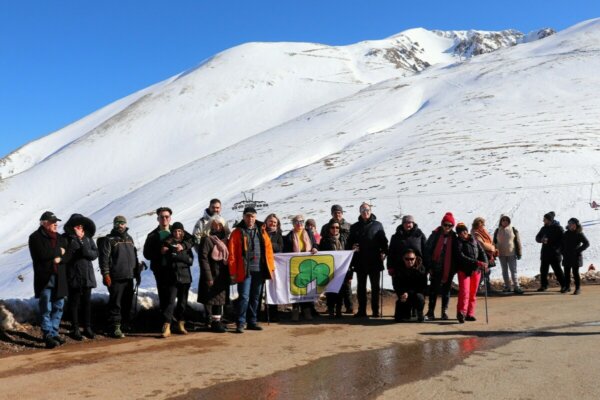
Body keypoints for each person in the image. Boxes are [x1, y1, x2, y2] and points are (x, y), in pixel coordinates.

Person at [143, 207, 194, 335]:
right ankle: (166, 324)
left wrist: (183, 246)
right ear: (158, 218)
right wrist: (158, 252)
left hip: (177, 270)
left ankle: (177, 323)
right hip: (161, 271)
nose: (164, 219)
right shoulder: (153, 235)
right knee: (165, 298)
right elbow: (146, 254)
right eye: (162, 217)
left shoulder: (177, 230)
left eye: (166, 216)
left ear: (170, 218)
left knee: (178, 298)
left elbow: (192, 240)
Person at [228, 206, 275, 333]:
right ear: (243, 217)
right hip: (244, 270)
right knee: (244, 297)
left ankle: (252, 321)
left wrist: (271, 267)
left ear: (255, 217)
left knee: (256, 297)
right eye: (248, 216)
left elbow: (269, 250)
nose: (250, 219)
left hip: (259, 269)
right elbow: (232, 254)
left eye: (253, 216)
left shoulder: (262, 231)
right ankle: (240, 322)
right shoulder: (237, 232)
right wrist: (232, 272)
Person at [28, 211, 70, 348]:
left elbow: (68, 254)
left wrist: (60, 256)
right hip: (45, 277)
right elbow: (41, 254)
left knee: (59, 306)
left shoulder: (60, 237)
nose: (56, 224)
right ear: (44, 223)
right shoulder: (35, 237)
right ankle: (48, 335)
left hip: (60, 276)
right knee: (46, 307)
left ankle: (54, 332)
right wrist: (59, 253)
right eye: (53, 222)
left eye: (56, 222)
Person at [99, 215, 141, 338]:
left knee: (127, 302)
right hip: (116, 277)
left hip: (129, 276)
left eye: (122, 223)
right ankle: (115, 326)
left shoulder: (130, 239)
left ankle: (125, 324)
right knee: (115, 303)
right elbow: (104, 259)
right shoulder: (109, 239)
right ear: (114, 225)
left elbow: (135, 257)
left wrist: (137, 273)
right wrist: (106, 274)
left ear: (125, 224)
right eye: (118, 223)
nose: (120, 225)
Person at [346, 202, 388, 318]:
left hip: (375, 260)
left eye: (367, 210)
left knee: (375, 287)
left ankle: (375, 310)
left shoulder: (378, 225)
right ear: (360, 212)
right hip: (360, 261)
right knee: (361, 287)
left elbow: (384, 241)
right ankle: (362, 311)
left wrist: (384, 251)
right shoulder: (354, 227)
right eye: (363, 210)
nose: (365, 212)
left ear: (371, 211)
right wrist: (352, 246)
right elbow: (349, 243)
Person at [63, 214, 98, 340]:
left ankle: (87, 327)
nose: (80, 228)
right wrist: (75, 244)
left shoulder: (88, 238)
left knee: (87, 303)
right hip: (74, 275)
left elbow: (94, 254)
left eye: (81, 226)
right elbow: (66, 257)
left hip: (87, 275)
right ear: (72, 227)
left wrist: (83, 244)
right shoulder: (66, 238)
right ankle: (75, 328)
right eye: (77, 226)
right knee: (74, 303)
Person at [159, 222, 194, 337]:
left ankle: (180, 324)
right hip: (171, 277)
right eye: (175, 231)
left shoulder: (186, 244)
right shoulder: (167, 244)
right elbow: (165, 262)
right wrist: (170, 254)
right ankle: (167, 325)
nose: (177, 233)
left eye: (179, 231)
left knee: (182, 303)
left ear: (183, 232)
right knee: (170, 302)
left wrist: (177, 255)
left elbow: (190, 260)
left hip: (185, 277)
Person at [198, 216, 231, 333]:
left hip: (223, 274)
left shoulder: (226, 240)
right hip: (212, 275)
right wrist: (208, 276)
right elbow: (203, 259)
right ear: (210, 226)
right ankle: (213, 323)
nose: (217, 227)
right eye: (215, 225)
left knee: (219, 300)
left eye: (220, 225)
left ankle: (217, 322)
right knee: (212, 299)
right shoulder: (207, 240)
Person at [284, 214, 319, 321]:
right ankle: (295, 311)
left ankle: (306, 311)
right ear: (293, 224)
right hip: (295, 265)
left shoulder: (309, 233)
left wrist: (314, 248)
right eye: (297, 222)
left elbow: (315, 244)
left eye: (301, 222)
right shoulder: (289, 235)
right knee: (296, 286)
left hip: (307, 264)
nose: (299, 224)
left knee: (306, 287)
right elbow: (286, 250)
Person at [424, 212, 458, 321]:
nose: (447, 227)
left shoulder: (454, 237)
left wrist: (455, 268)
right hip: (435, 266)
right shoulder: (435, 234)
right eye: (445, 224)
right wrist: (429, 266)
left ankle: (444, 312)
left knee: (446, 290)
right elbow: (427, 250)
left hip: (449, 268)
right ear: (442, 224)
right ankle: (430, 312)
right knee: (433, 290)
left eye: (450, 225)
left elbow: (457, 253)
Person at [320, 204, 353, 313]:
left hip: (344, 263)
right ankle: (331, 307)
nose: (337, 214)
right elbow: (322, 242)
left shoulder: (349, 226)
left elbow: (351, 242)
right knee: (331, 286)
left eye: (339, 212)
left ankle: (348, 306)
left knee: (346, 286)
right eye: (335, 212)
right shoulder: (325, 227)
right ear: (332, 214)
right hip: (330, 264)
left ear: (342, 213)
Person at [455, 223, 488, 323]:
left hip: (476, 270)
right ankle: (461, 313)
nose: (463, 233)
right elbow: (461, 256)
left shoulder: (474, 240)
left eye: (464, 231)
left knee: (473, 293)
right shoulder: (458, 242)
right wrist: (477, 262)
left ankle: (470, 313)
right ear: (458, 234)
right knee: (464, 292)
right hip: (464, 270)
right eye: (460, 232)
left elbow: (482, 252)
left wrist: (485, 263)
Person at [387, 215, 427, 294]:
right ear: (402, 224)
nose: (408, 224)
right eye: (406, 222)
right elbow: (391, 252)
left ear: (413, 223)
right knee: (402, 294)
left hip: (417, 268)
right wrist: (390, 267)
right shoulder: (396, 237)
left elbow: (425, 251)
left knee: (418, 294)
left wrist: (427, 267)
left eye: (410, 222)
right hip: (400, 269)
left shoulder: (420, 235)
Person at [393, 248, 428, 323]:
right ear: (403, 259)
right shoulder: (398, 269)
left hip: (416, 295)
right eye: (407, 259)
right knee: (398, 319)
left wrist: (408, 293)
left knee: (420, 298)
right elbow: (396, 285)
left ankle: (419, 313)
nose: (409, 261)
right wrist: (401, 294)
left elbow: (422, 287)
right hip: (404, 296)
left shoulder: (421, 269)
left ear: (415, 258)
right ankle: (406, 313)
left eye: (412, 259)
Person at [535, 211, 567, 292]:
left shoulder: (558, 228)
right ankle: (544, 286)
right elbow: (537, 237)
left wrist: (558, 249)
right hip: (545, 253)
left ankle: (564, 286)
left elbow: (563, 241)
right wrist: (541, 240)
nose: (543, 221)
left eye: (544, 219)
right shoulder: (544, 228)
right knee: (543, 271)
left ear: (549, 220)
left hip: (555, 254)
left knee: (558, 271)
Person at [493, 215, 523, 294]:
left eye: (506, 220)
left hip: (511, 253)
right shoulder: (497, 230)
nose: (505, 222)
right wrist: (493, 253)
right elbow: (494, 242)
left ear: (509, 221)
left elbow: (518, 241)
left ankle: (516, 286)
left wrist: (519, 252)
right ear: (500, 221)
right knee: (504, 271)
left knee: (513, 270)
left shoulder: (513, 229)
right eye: (503, 220)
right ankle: (507, 286)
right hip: (501, 253)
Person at [262, 213, 283, 322]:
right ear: (266, 221)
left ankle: (273, 313)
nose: (272, 224)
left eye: (275, 222)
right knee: (261, 290)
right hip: (261, 264)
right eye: (271, 221)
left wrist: (269, 243)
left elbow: (280, 247)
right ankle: (258, 313)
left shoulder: (279, 234)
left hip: (273, 265)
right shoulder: (260, 231)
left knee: (272, 289)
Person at [561, 217, 590, 295]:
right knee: (566, 272)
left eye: (572, 224)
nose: (570, 225)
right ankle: (567, 287)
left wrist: (578, 250)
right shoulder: (566, 233)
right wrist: (562, 251)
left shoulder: (579, 234)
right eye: (569, 224)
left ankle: (578, 288)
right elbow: (562, 244)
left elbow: (587, 243)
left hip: (575, 256)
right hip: (566, 256)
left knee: (575, 273)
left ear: (576, 225)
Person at [471, 217, 497, 293]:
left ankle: (486, 287)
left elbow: (490, 241)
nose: (482, 225)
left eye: (482, 223)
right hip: (481, 254)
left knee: (487, 271)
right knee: (484, 271)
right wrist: (492, 248)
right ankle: (478, 287)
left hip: (487, 254)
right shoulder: (475, 233)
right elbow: (481, 244)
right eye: (480, 223)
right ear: (476, 224)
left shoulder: (483, 231)